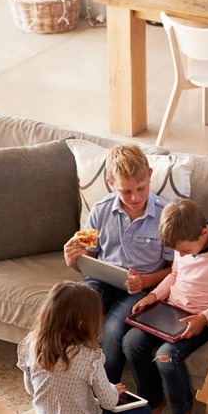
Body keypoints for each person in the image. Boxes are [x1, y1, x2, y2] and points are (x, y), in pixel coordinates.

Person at [122, 198, 208, 414]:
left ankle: (182, 413)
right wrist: (155, 295)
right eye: (178, 252)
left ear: (203, 233)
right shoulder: (184, 243)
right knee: (131, 342)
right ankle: (154, 402)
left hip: (203, 317)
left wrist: (204, 318)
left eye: (185, 251)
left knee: (166, 357)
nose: (181, 255)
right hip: (171, 307)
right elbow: (175, 274)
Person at [63, 145, 173, 384]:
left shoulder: (166, 216)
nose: (135, 197)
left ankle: (108, 392)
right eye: (126, 191)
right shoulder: (100, 211)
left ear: (150, 175)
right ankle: (68, 382)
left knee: (112, 331)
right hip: (100, 280)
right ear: (111, 182)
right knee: (71, 310)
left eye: (141, 188)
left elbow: (176, 268)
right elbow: (87, 259)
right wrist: (73, 260)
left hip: (141, 288)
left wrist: (146, 281)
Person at [17, 281, 151, 414]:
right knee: (144, 412)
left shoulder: (32, 344)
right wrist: (112, 391)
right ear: (82, 323)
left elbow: (31, 389)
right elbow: (108, 403)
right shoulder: (89, 356)